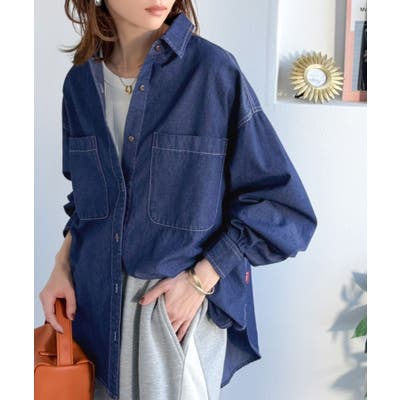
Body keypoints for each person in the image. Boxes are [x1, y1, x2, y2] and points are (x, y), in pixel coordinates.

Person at [39, 1, 318, 399]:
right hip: (94, 315)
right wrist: (61, 265)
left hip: (171, 317)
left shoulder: (213, 72)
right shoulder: (79, 85)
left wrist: (200, 280)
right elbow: (87, 203)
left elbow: (282, 206)